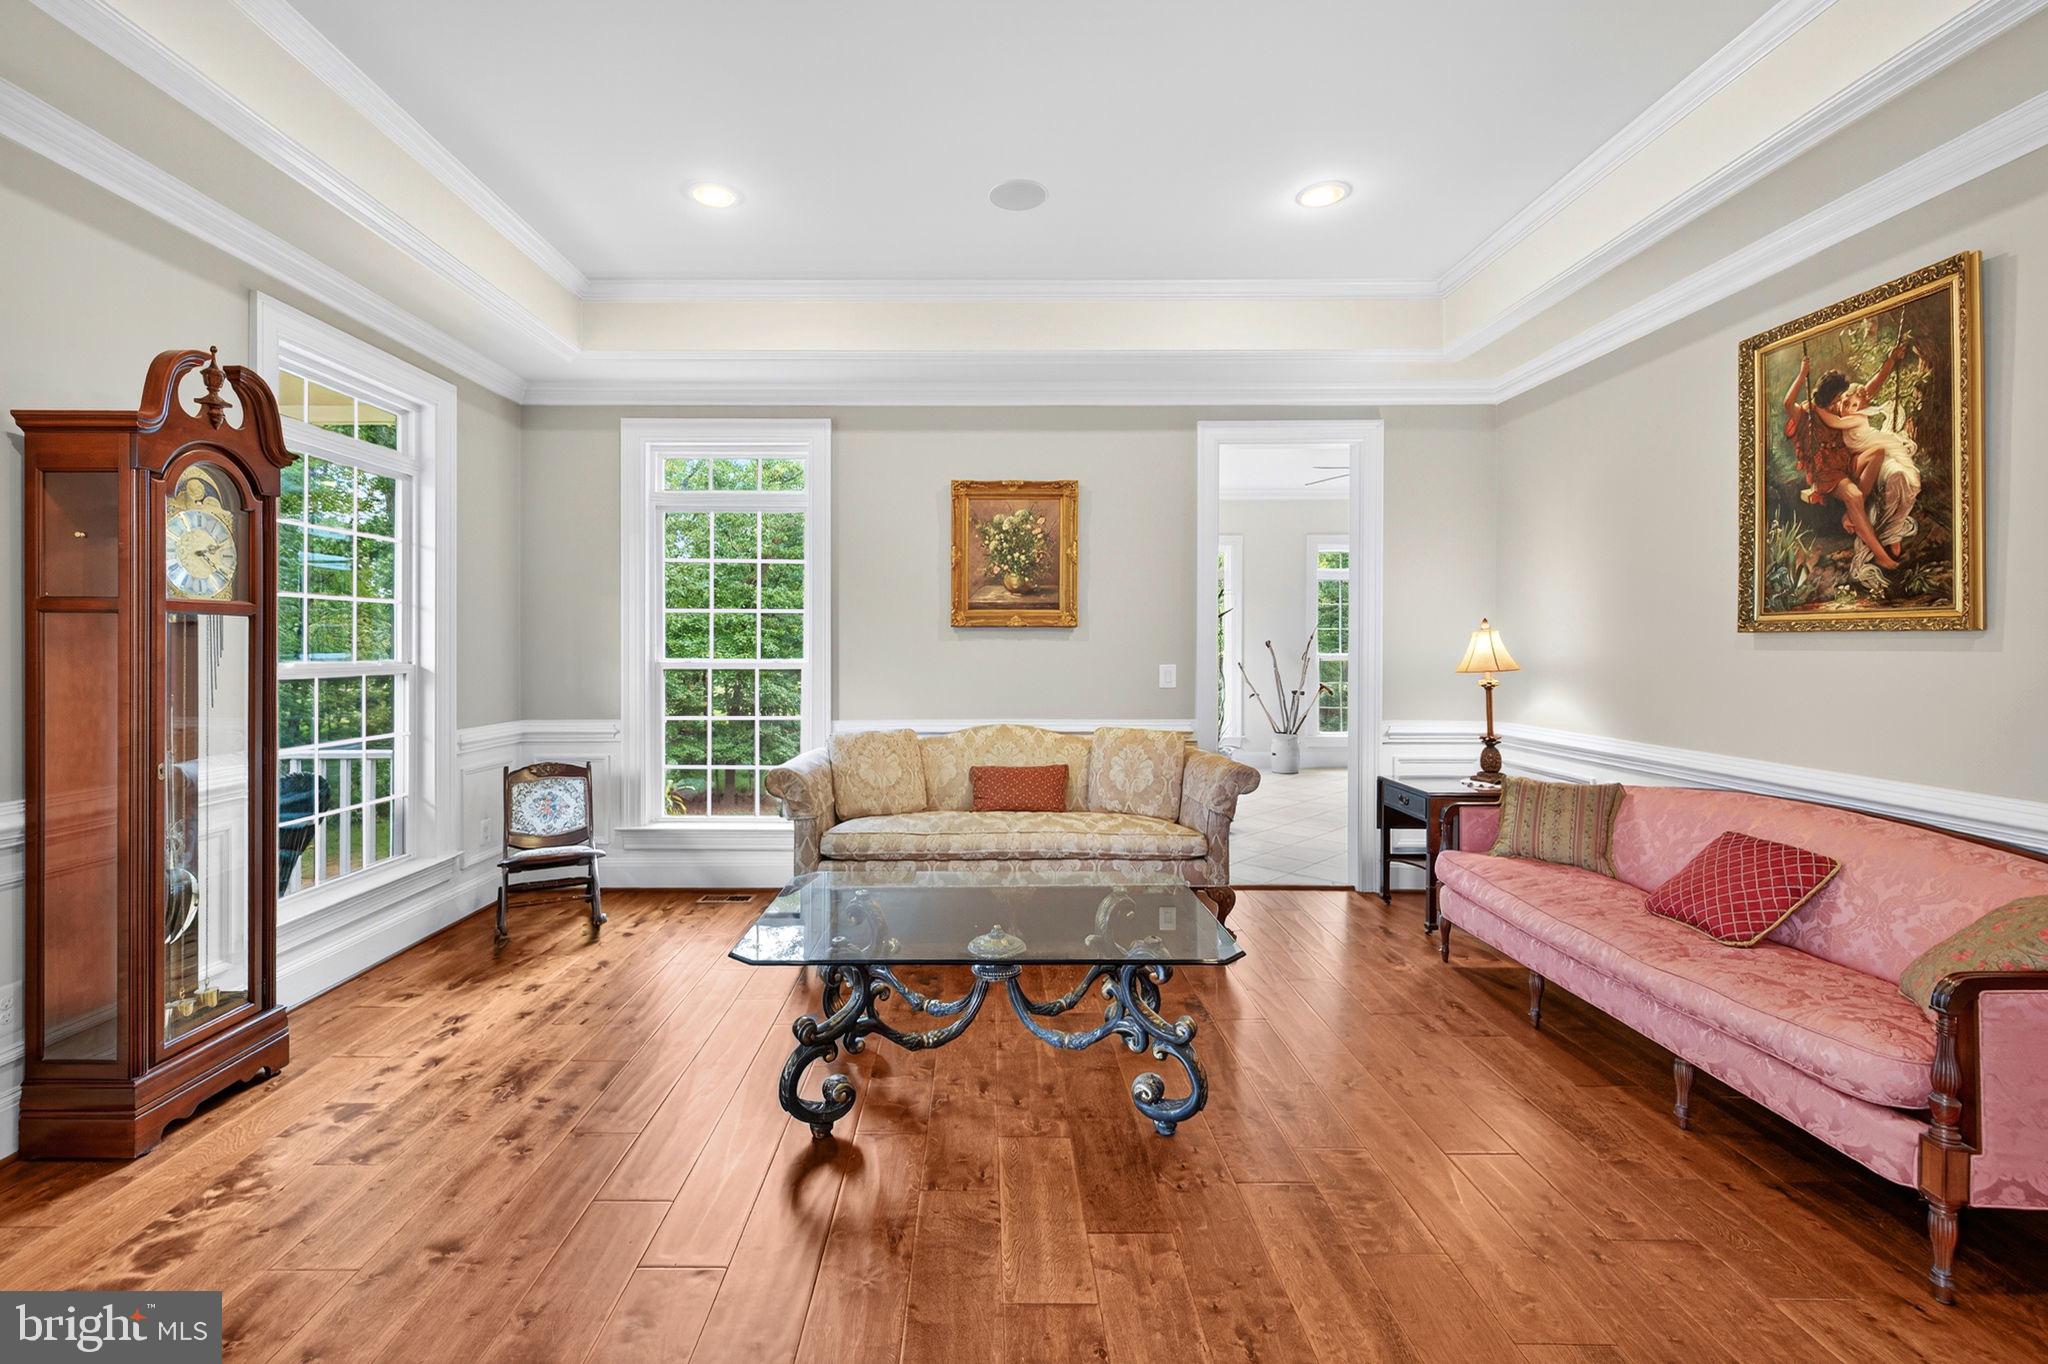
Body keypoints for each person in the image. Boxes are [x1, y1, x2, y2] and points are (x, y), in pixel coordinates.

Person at [1783, 340, 1911, 569]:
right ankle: (1881, 555)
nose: (1840, 403)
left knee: (1877, 453)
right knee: (1854, 496)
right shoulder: (1807, 412)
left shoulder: (1839, 408)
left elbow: (1868, 390)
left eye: (1841, 399)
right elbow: (1787, 403)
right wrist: (1802, 374)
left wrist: (1891, 361)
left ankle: (1852, 515)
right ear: (1828, 397)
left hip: (1846, 464)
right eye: (1837, 400)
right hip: (1827, 474)